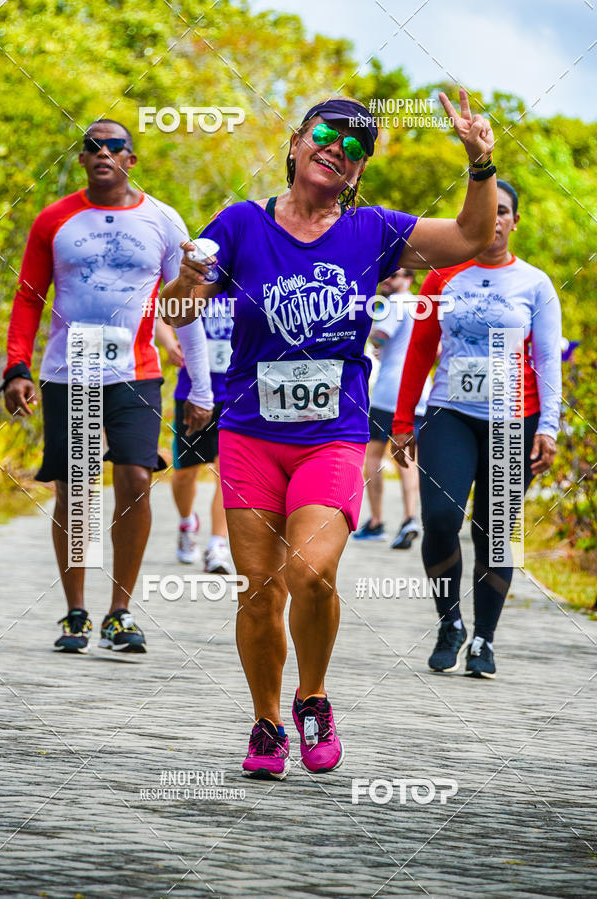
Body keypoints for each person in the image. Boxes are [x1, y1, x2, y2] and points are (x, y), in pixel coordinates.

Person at [161, 91, 497, 778]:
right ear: (294, 143)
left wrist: (480, 161)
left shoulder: (373, 230)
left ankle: (312, 696)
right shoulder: (239, 224)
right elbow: (173, 310)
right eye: (325, 134)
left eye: (353, 147)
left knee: (310, 573)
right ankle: (265, 722)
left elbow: (467, 237)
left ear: (358, 171)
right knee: (260, 588)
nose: (336, 149)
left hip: (331, 435)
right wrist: (188, 277)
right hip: (252, 431)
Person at [1, 119, 209, 654]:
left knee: (136, 478)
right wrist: (16, 368)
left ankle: (120, 612)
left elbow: (184, 305)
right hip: (69, 371)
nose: (102, 153)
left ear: (131, 160)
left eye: (114, 146)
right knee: (77, 489)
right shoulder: (55, 220)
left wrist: (201, 389)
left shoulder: (162, 219)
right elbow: (28, 298)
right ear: (82, 159)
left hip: (136, 372)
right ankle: (75, 613)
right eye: (92, 146)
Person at [392, 180, 562, 679]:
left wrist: (547, 427)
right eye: (490, 211)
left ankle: (484, 639)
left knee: (494, 533)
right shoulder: (440, 277)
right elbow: (420, 351)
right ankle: (450, 624)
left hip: (516, 418)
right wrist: (404, 421)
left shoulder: (535, 284)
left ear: (513, 221)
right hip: (450, 413)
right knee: (442, 519)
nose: (497, 219)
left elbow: (549, 359)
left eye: (505, 211)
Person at [353, 268, 432, 548]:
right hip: (420, 391)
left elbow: (380, 336)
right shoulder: (422, 303)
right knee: (409, 455)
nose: (387, 279)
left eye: (395, 274)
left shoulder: (395, 304)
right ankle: (411, 517)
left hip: (390, 391)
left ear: (408, 279)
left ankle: (376, 522)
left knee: (373, 455)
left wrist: (374, 340)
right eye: (385, 274)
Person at [157, 297, 233, 572]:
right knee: (185, 471)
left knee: (227, 470)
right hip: (193, 393)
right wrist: (169, 344)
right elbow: (161, 317)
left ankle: (217, 545)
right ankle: (187, 522)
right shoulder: (194, 283)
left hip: (235, 393)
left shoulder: (244, 279)